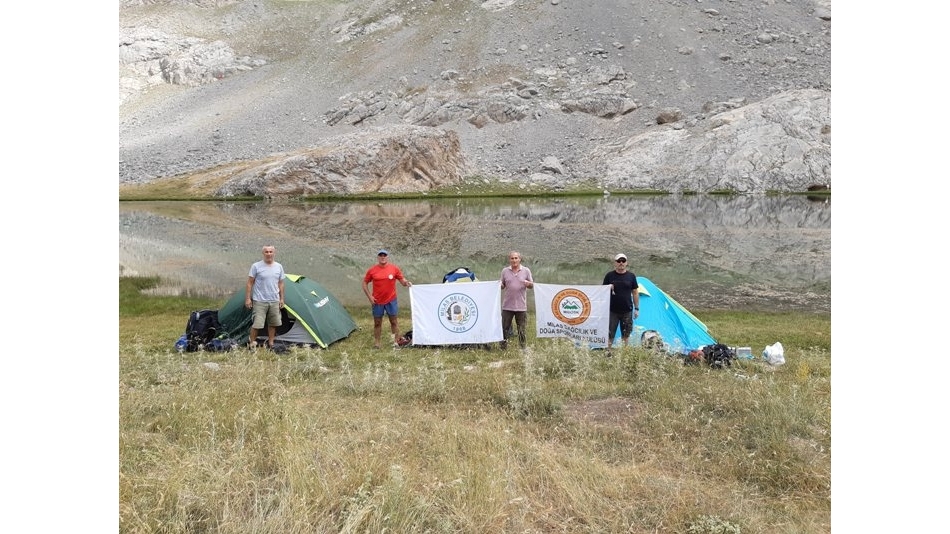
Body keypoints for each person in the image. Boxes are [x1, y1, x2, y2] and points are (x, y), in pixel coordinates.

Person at [362, 249, 412, 349]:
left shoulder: (394, 269)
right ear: (378, 257)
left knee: (394, 322)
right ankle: (377, 343)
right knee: (377, 323)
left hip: (391, 300)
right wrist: (370, 297)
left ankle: (396, 342)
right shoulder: (372, 270)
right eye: (380, 255)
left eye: (384, 255)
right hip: (377, 301)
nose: (382, 257)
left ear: (387, 257)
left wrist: (407, 283)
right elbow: (364, 283)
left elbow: (402, 280)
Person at [245, 245, 285, 348]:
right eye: (266, 252)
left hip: (274, 300)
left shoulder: (279, 266)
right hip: (259, 301)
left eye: (271, 252)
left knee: (273, 323)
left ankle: (271, 344)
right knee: (257, 324)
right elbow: (250, 283)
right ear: (263, 253)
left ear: (274, 253)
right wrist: (248, 298)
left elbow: (281, 283)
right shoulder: (256, 266)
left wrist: (281, 299)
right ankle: (252, 344)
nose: (269, 254)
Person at [603, 253, 640, 352]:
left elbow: (635, 292)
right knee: (610, 334)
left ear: (626, 263)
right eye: (619, 261)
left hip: (627, 311)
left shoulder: (631, 276)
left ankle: (624, 353)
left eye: (623, 261)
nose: (621, 263)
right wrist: (608, 288)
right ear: (615, 263)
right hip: (612, 311)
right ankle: (608, 352)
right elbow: (602, 291)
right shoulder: (609, 275)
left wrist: (637, 308)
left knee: (626, 334)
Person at [499, 250, 534, 349]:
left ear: (519, 259)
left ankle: (523, 348)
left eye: (516, 258)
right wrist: (499, 284)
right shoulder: (505, 271)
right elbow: (502, 286)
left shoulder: (526, 270)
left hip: (521, 306)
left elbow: (532, 285)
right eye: (512, 258)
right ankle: (503, 347)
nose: (514, 260)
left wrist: (529, 284)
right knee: (504, 328)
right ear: (509, 260)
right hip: (507, 305)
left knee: (521, 329)